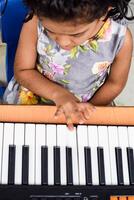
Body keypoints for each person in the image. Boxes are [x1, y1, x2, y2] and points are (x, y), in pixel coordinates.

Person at [3, 0, 134, 129]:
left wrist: (85, 111)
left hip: (92, 104)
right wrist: (59, 95)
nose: (63, 42)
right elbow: (23, 70)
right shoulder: (35, 20)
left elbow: (114, 84)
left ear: (105, 11)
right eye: (50, 30)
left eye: (76, 34)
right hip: (35, 97)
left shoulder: (121, 39)